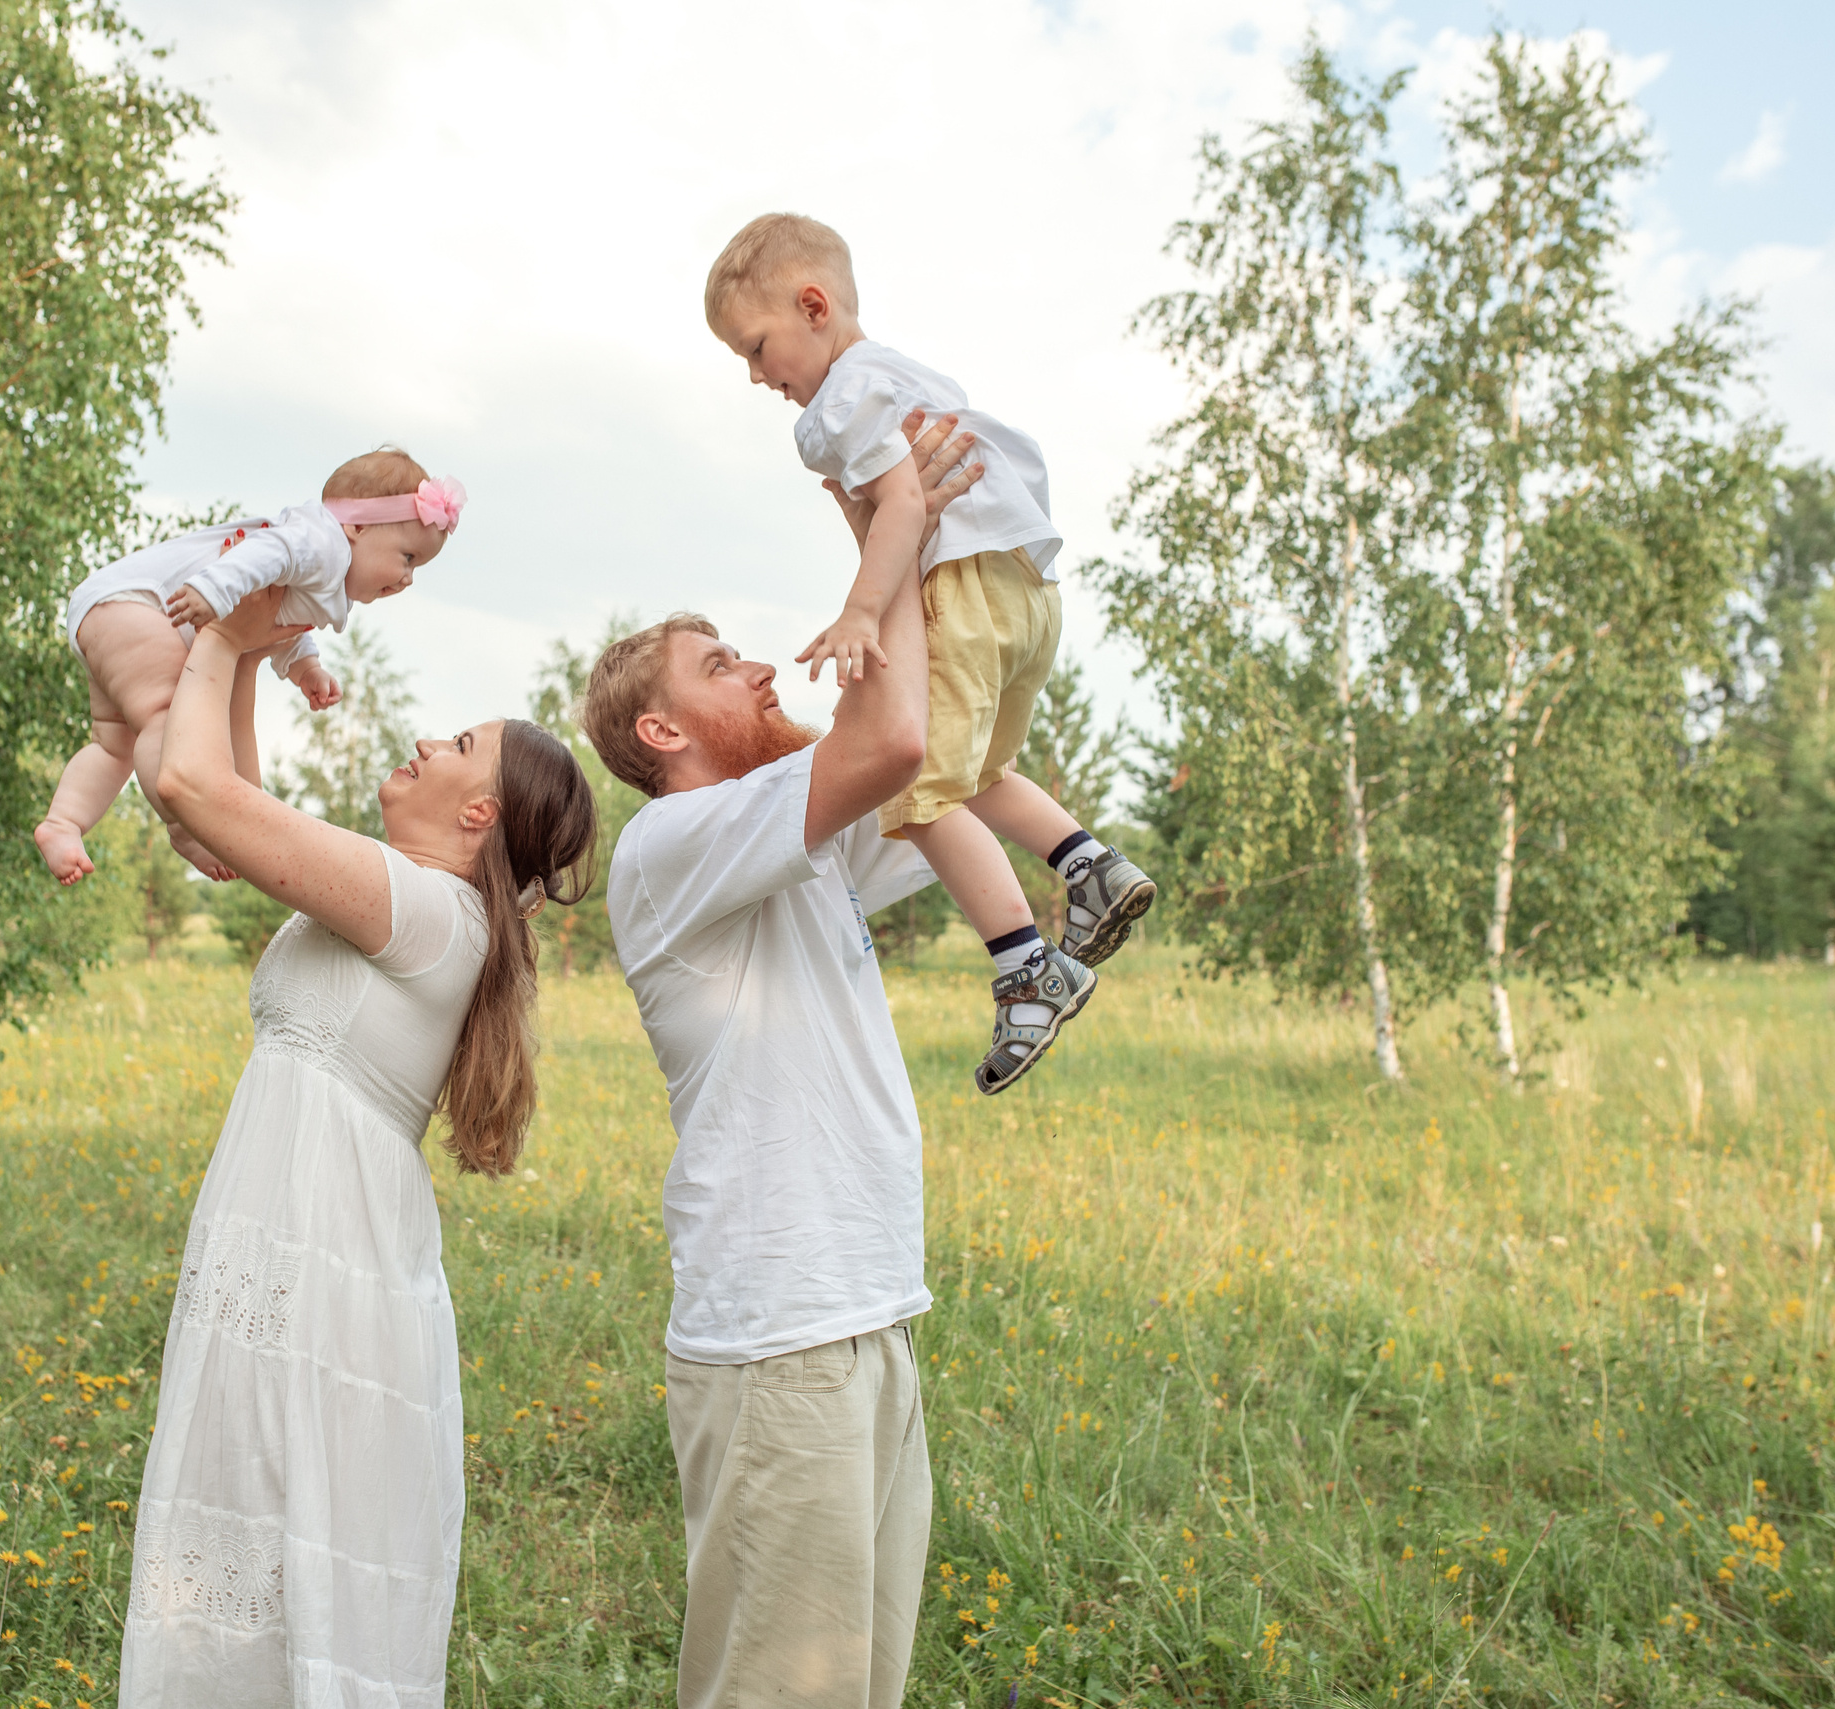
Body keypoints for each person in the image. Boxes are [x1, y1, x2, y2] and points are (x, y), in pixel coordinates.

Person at [117, 582, 594, 1706]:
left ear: (480, 815)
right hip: (296, 1238)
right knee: (254, 1519)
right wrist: (245, 652)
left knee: (287, 1526)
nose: (427, 738)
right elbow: (221, 804)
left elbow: (194, 785)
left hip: (320, 1249)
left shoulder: (427, 910)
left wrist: (233, 635)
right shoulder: (404, 900)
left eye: (459, 744)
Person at [581, 419, 977, 1709]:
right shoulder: (676, 841)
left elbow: (950, 745)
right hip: (778, 1338)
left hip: (863, 1315)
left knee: (861, 1685)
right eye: (717, 663)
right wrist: (887, 532)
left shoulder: (795, 852)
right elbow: (890, 742)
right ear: (659, 727)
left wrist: (906, 544)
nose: (756, 666)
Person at [704, 212, 1157, 1095]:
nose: (758, 377)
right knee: (978, 768)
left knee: (914, 792)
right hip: (1027, 595)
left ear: (814, 305)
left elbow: (905, 506)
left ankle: (1029, 966)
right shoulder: (905, 372)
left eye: (757, 349)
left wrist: (861, 610)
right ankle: (1088, 865)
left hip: (964, 587)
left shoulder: (840, 400)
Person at [34, 447, 467, 884]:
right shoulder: (322, 543)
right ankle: (186, 825)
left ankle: (63, 823)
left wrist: (306, 667)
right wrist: (213, 590)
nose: (408, 578)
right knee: (163, 715)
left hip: (115, 609)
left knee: (114, 745)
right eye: (408, 557)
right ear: (356, 526)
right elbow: (264, 555)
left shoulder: (328, 569)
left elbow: (279, 617)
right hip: (140, 605)